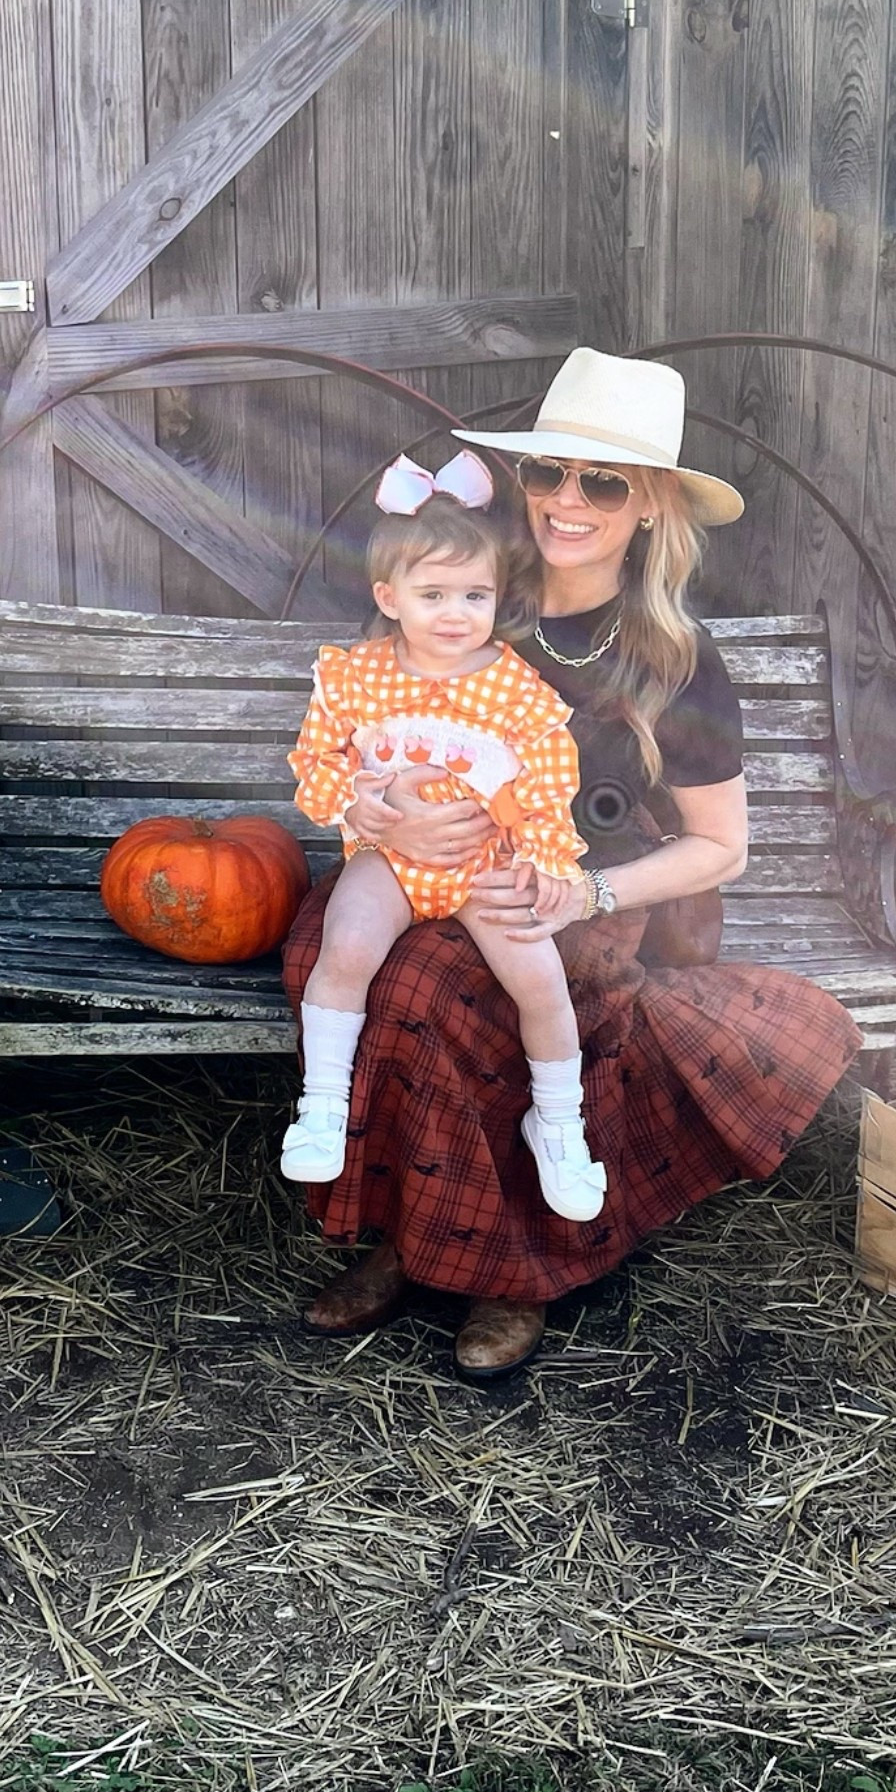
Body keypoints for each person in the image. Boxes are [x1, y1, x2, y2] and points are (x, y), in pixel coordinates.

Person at [283, 348, 862, 1382]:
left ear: (652, 506)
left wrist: (582, 891)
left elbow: (721, 847)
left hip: (577, 887)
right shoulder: (468, 585)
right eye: (550, 472)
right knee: (362, 957)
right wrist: (375, 808)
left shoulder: (674, 659)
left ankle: (514, 1267)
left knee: (455, 989)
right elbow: (367, 724)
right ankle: (414, 1235)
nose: (568, 500)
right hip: (415, 865)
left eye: (604, 482)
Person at [284, 451, 606, 1221]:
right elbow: (315, 760)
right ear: (389, 598)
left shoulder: (515, 688)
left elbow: (547, 777)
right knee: (346, 947)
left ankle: (558, 1121)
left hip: (481, 862)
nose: (455, 613)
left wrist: (545, 859)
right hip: (389, 858)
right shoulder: (357, 677)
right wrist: (356, 806)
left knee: (541, 979)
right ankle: (322, 1102)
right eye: (432, 595)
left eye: (474, 595)